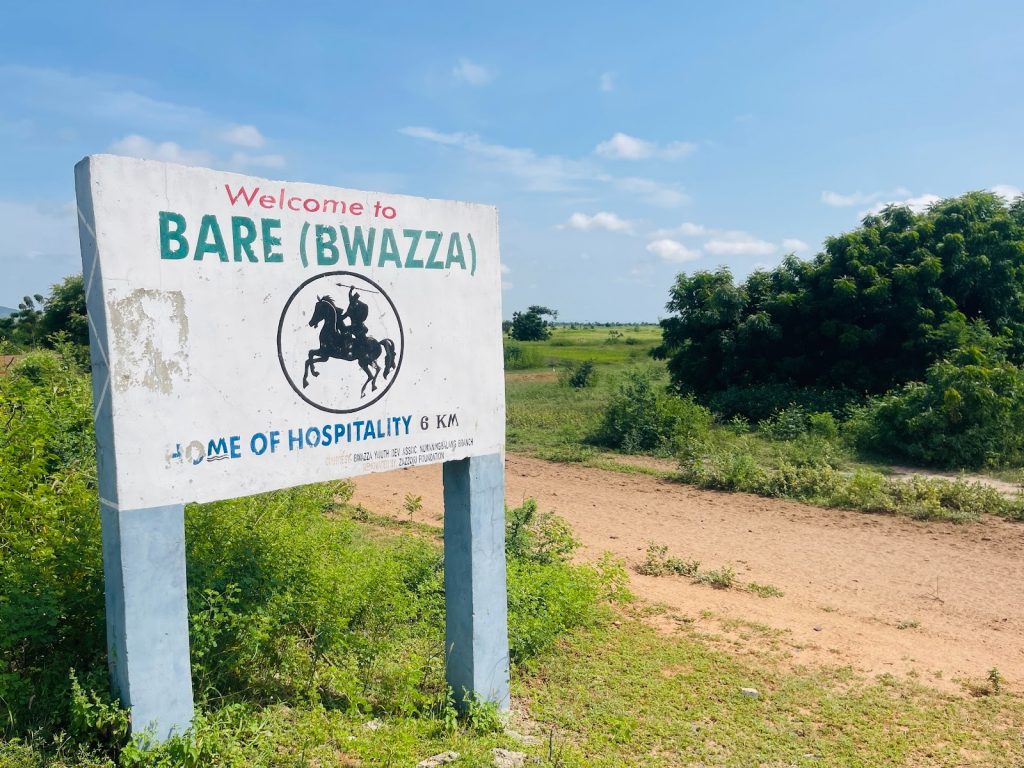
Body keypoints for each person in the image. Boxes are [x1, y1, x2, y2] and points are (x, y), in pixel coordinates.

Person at [339, 285, 369, 351]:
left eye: (354, 302)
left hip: (358, 326)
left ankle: (350, 347)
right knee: (344, 330)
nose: (352, 304)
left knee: (350, 334)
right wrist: (351, 289)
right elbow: (345, 315)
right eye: (352, 303)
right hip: (353, 326)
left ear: (356, 301)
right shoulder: (350, 307)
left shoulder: (360, 308)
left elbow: (364, 316)